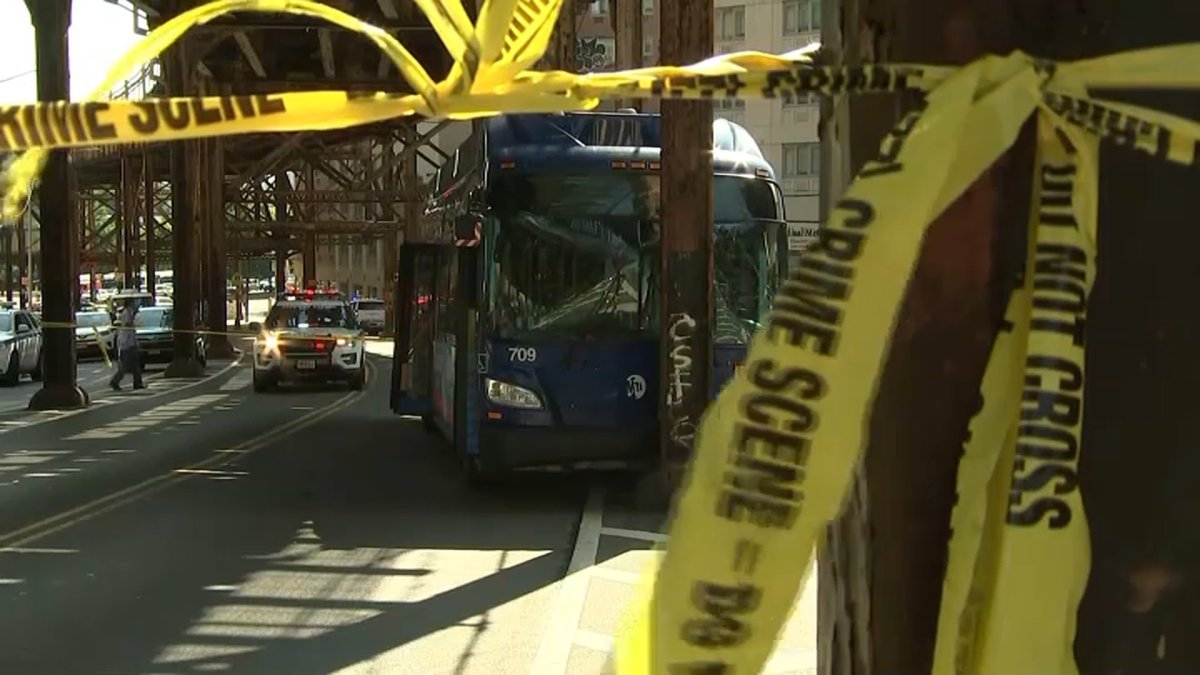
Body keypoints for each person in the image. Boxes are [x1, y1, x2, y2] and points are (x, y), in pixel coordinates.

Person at [109, 299, 145, 391]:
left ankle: (138, 383)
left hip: (130, 343)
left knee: (135, 366)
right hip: (126, 345)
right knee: (124, 367)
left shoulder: (130, 312)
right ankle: (114, 382)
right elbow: (127, 323)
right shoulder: (127, 312)